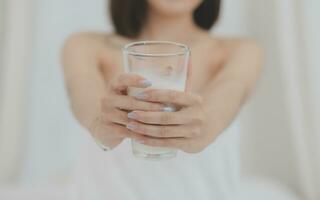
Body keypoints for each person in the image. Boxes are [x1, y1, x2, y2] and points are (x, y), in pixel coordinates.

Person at [62, 0, 262, 199]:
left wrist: (207, 125)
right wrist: (99, 124)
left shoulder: (239, 51)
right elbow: (82, 93)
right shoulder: (85, 46)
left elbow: (230, 92)